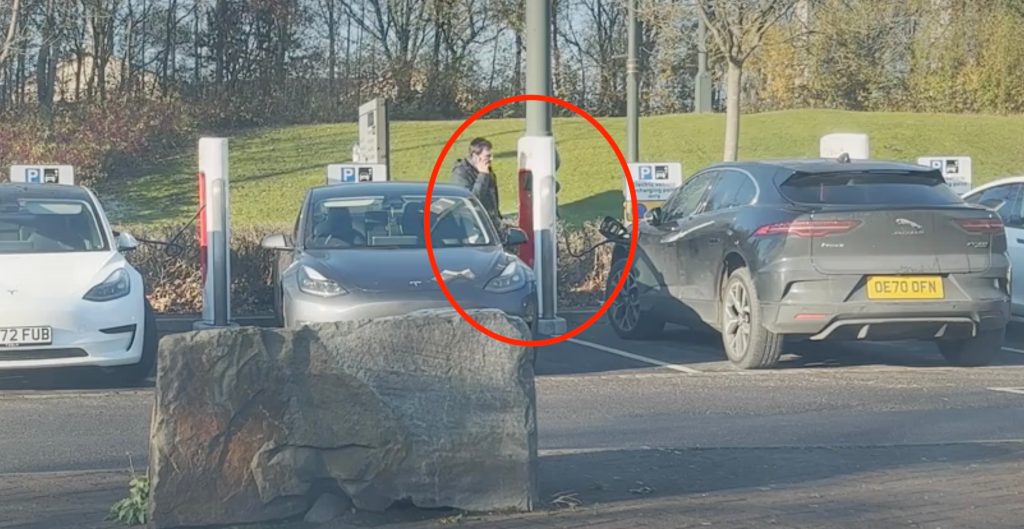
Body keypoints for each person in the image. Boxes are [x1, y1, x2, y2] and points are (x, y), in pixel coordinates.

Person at [450, 137, 503, 232]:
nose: (491, 159)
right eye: (488, 156)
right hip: (471, 224)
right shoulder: (461, 173)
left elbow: (493, 197)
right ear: (476, 156)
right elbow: (471, 199)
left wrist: (498, 218)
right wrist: (482, 175)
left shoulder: (487, 170)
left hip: (490, 222)